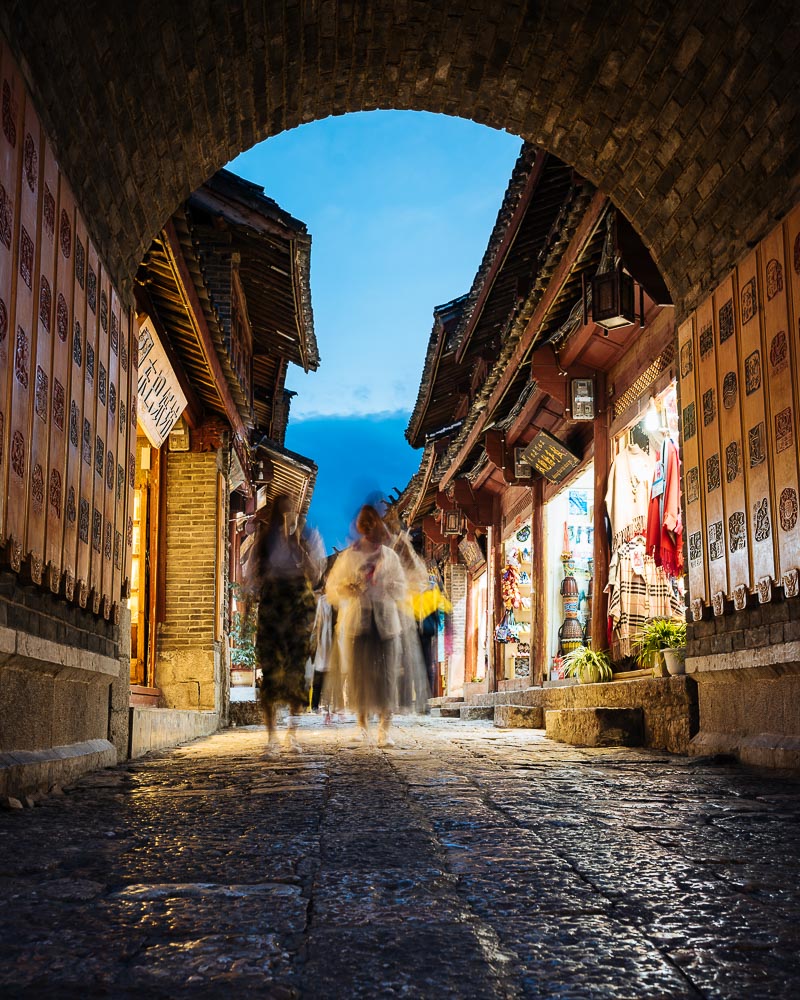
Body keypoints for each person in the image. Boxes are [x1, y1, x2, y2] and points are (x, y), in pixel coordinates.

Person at [325, 504, 406, 747]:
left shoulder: (389, 557)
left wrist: (391, 587)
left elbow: (401, 587)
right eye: (366, 526)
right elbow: (332, 588)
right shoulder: (349, 556)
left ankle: (385, 728)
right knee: (360, 676)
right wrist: (347, 589)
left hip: (385, 623)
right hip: (358, 624)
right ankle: (361, 724)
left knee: (387, 676)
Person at [246, 494, 317, 754]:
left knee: (296, 674)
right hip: (274, 612)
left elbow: (315, 574)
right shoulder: (265, 540)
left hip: (297, 615)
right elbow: (253, 575)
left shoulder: (300, 541)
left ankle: (292, 734)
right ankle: (271, 735)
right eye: (286, 511)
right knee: (272, 674)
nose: (289, 517)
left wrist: (299, 544)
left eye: (293, 512)